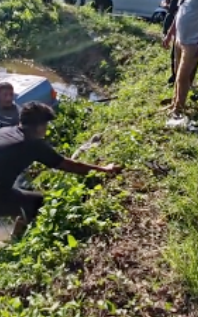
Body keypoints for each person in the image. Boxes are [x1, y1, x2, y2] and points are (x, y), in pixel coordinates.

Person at [0, 102, 122, 238]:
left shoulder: (6, 131)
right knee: (37, 202)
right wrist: (105, 170)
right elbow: (68, 165)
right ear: (40, 126)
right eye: (46, 125)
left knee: (23, 199)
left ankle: (12, 238)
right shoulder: (32, 143)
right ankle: (15, 240)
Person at [163, 0, 185, 85]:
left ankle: (183, 80)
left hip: (190, 32)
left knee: (185, 58)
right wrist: (168, 34)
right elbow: (175, 16)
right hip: (178, 28)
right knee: (174, 54)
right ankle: (175, 76)